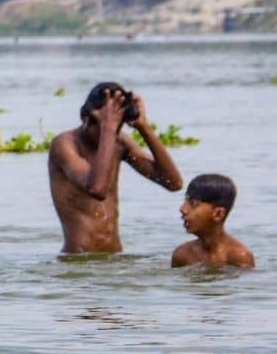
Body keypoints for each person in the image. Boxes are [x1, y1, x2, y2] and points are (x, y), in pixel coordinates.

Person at [48, 82, 184, 254]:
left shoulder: (118, 142)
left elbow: (173, 183)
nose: (110, 135)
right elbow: (97, 189)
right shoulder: (65, 144)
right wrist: (109, 128)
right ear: (85, 118)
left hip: (114, 257)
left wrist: (143, 127)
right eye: (104, 126)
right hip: (79, 260)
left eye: (117, 126)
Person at [172, 174, 255, 268]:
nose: (182, 209)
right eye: (185, 201)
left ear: (218, 214)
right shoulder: (182, 255)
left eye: (193, 203)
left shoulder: (239, 257)